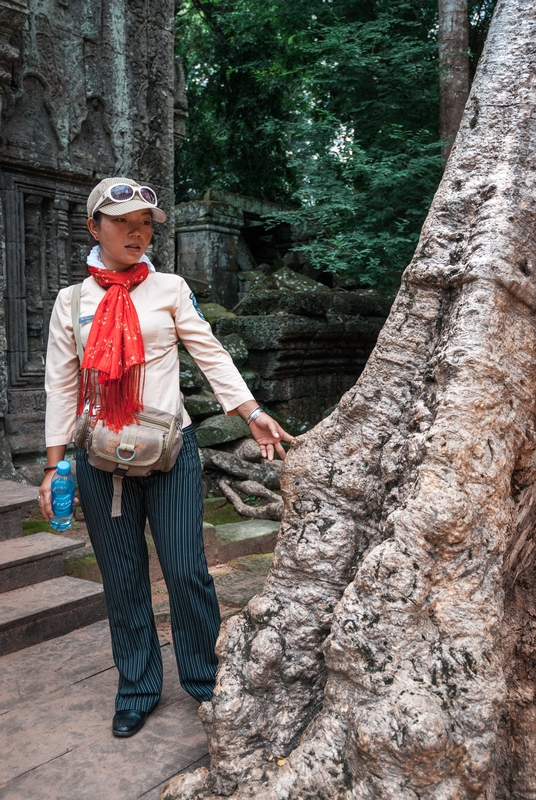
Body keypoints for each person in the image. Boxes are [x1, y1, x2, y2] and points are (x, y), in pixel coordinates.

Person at [38, 177, 293, 738]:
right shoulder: (74, 301)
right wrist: (56, 463)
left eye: (147, 223)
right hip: (101, 458)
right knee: (123, 578)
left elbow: (209, 350)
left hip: (171, 452)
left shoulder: (170, 289)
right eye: (123, 221)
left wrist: (250, 411)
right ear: (93, 226)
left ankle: (205, 679)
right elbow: (61, 385)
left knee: (185, 570)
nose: (137, 232)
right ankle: (137, 687)